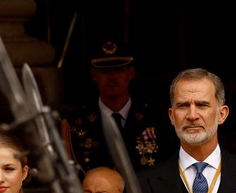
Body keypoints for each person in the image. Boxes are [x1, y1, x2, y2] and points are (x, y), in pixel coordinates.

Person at [61, 39, 176, 176]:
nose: (112, 77)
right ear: (94, 74)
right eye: (105, 71)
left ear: (131, 73)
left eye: (119, 69)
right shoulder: (76, 124)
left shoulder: (156, 119)